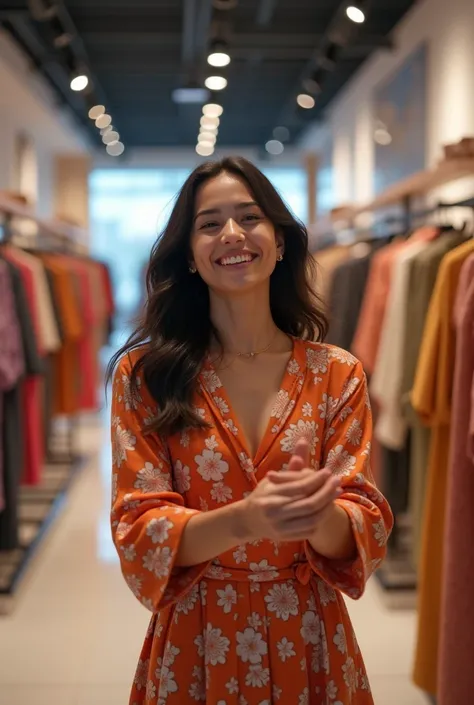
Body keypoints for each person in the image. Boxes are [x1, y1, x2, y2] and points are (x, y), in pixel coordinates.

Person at [108, 156, 393, 705]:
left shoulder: (337, 373)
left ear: (280, 242)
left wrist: (317, 515)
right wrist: (248, 518)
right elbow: (138, 529)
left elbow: (366, 526)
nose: (232, 234)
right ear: (189, 256)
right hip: (196, 639)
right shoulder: (146, 377)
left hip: (309, 636)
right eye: (209, 224)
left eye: (250, 217)